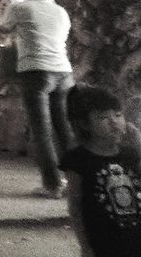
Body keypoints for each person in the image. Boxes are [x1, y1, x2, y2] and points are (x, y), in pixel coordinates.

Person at [0, 0, 74, 198]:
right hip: (64, 72)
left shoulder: (22, 8)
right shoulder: (61, 11)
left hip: (36, 72)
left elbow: (2, 27)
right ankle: (78, 182)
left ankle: (52, 185)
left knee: (42, 131)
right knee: (65, 131)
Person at [60, 84, 141, 257]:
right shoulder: (78, 160)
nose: (114, 122)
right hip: (103, 241)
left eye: (118, 115)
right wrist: (85, 245)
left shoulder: (131, 153)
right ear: (84, 124)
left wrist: (139, 145)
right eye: (103, 117)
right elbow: (75, 206)